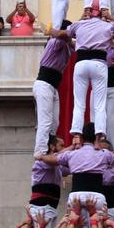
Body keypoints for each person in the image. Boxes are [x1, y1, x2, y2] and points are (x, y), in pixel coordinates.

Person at [46, 4, 114, 140]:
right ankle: (98, 139)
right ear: (101, 13)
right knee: (99, 104)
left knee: (79, 104)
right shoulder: (108, 25)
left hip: (81, 64)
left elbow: (63, 34)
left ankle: (77, 136)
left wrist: (50, 30)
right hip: (98, 63)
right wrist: (110, 17)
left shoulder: (79, 25)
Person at [33, 21, 74, 157]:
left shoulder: (67, 45)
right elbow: (63, 37)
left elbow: (77, 46)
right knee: (45, 121)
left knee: (54, 122)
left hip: (53, 87)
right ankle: (40, 151)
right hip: (44, 84)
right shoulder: (55, 42)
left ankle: (50, 146)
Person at [28, 135, 66, 228]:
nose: (64, 149)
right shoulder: (41, 162)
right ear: (52, 147)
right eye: (61, 146)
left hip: (50, 207)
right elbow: (57, 159)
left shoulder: (57, 166)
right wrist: (73, 148)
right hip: (42, 207)